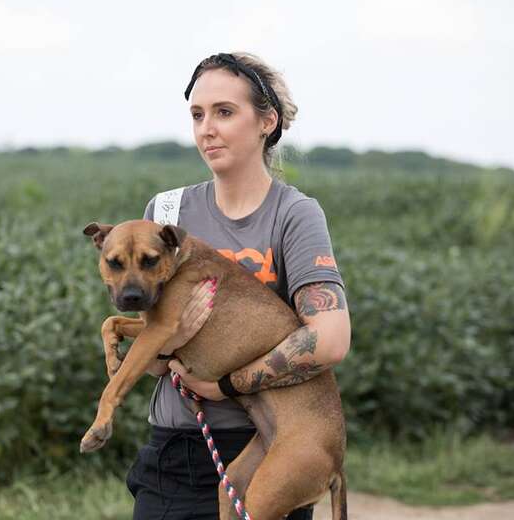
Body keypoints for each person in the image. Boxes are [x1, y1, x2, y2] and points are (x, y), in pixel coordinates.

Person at [125, 52, 351, 520]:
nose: (206, 128)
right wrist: (174, 339)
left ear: (267, 120)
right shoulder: (165, 214)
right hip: (176, 452)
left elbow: (329, 339)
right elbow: (154, 363)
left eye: (224, 112)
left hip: (266, 451)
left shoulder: (294, 214)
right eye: (197, 114)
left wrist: (226, 385)